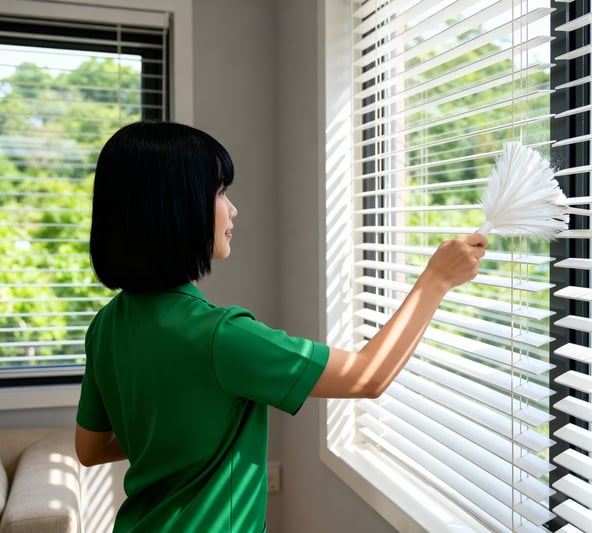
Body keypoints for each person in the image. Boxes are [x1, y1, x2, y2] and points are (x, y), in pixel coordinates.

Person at [75, 121, 487, 532]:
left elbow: (90, 448)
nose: (232, 208)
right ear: (173, 207)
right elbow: (366, 377)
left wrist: (168, 437)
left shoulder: (106, 326)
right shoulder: (221, 337)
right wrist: (437, 279)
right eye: (220, 192)